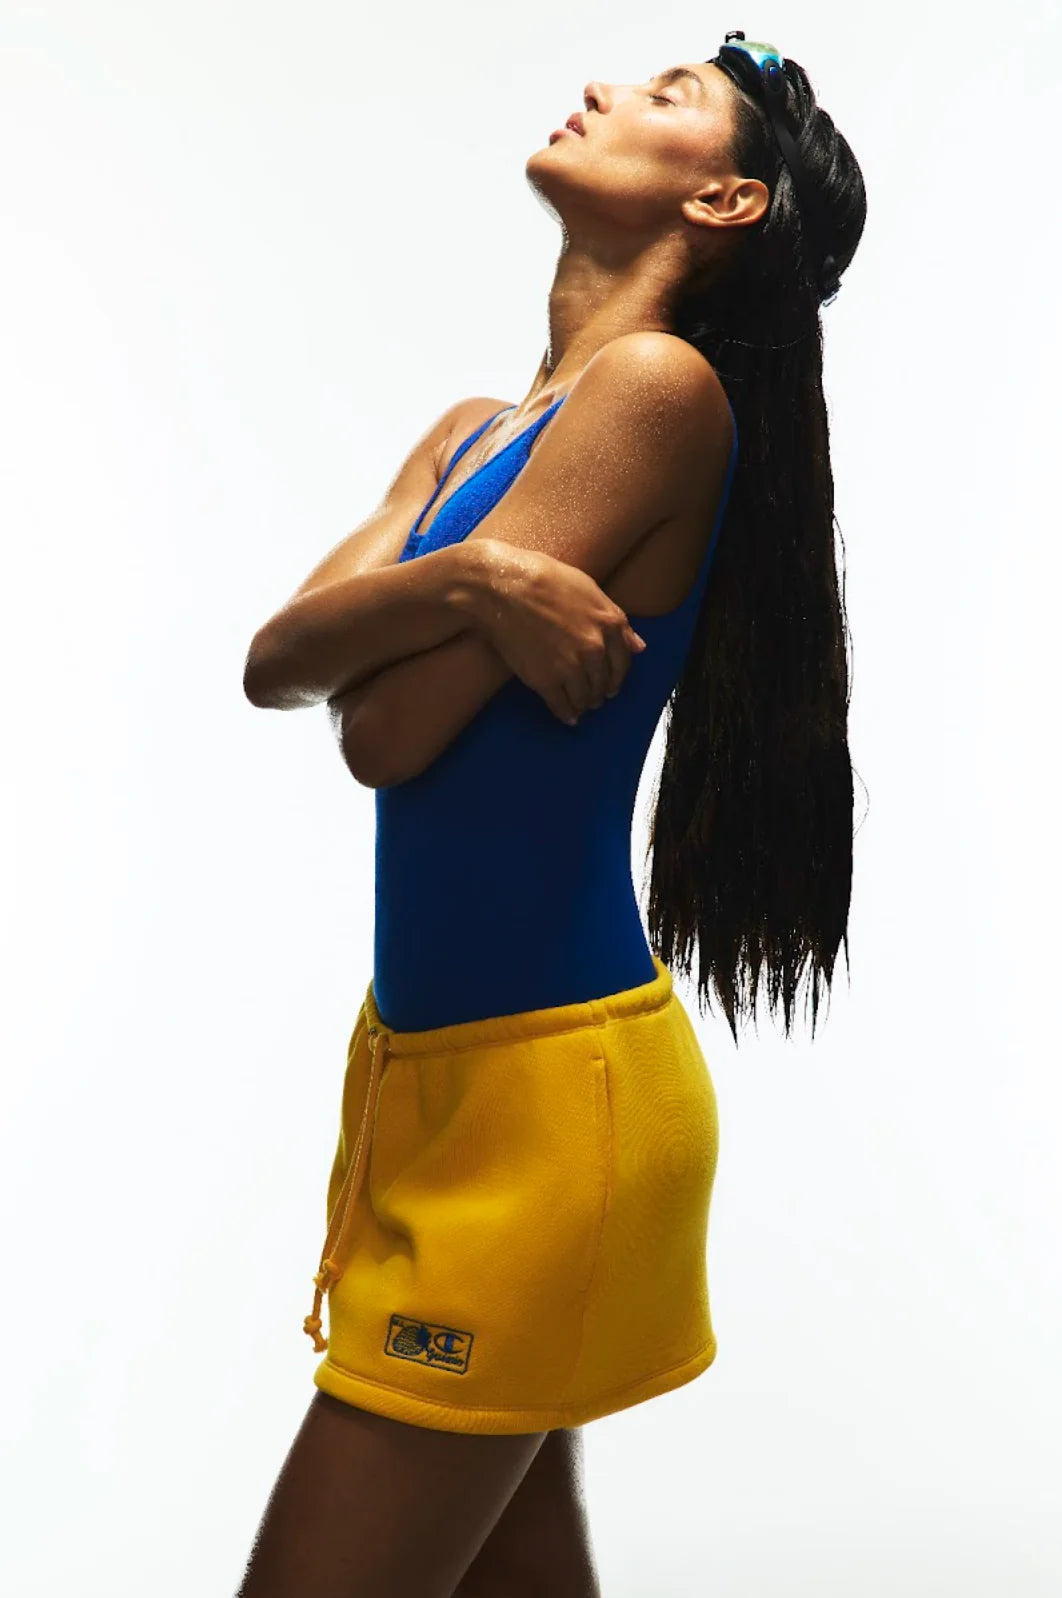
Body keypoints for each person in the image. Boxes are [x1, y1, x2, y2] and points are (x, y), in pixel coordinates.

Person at [237, 35, 866, 1598]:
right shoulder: (469, 434)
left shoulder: (657, 391)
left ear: (723, 200)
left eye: (668, 97)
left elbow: (376, 729)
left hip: (545, 1106)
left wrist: (418, 606)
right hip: (435, 1081)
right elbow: (270, 662)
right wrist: (471, 577)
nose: (605, 88)